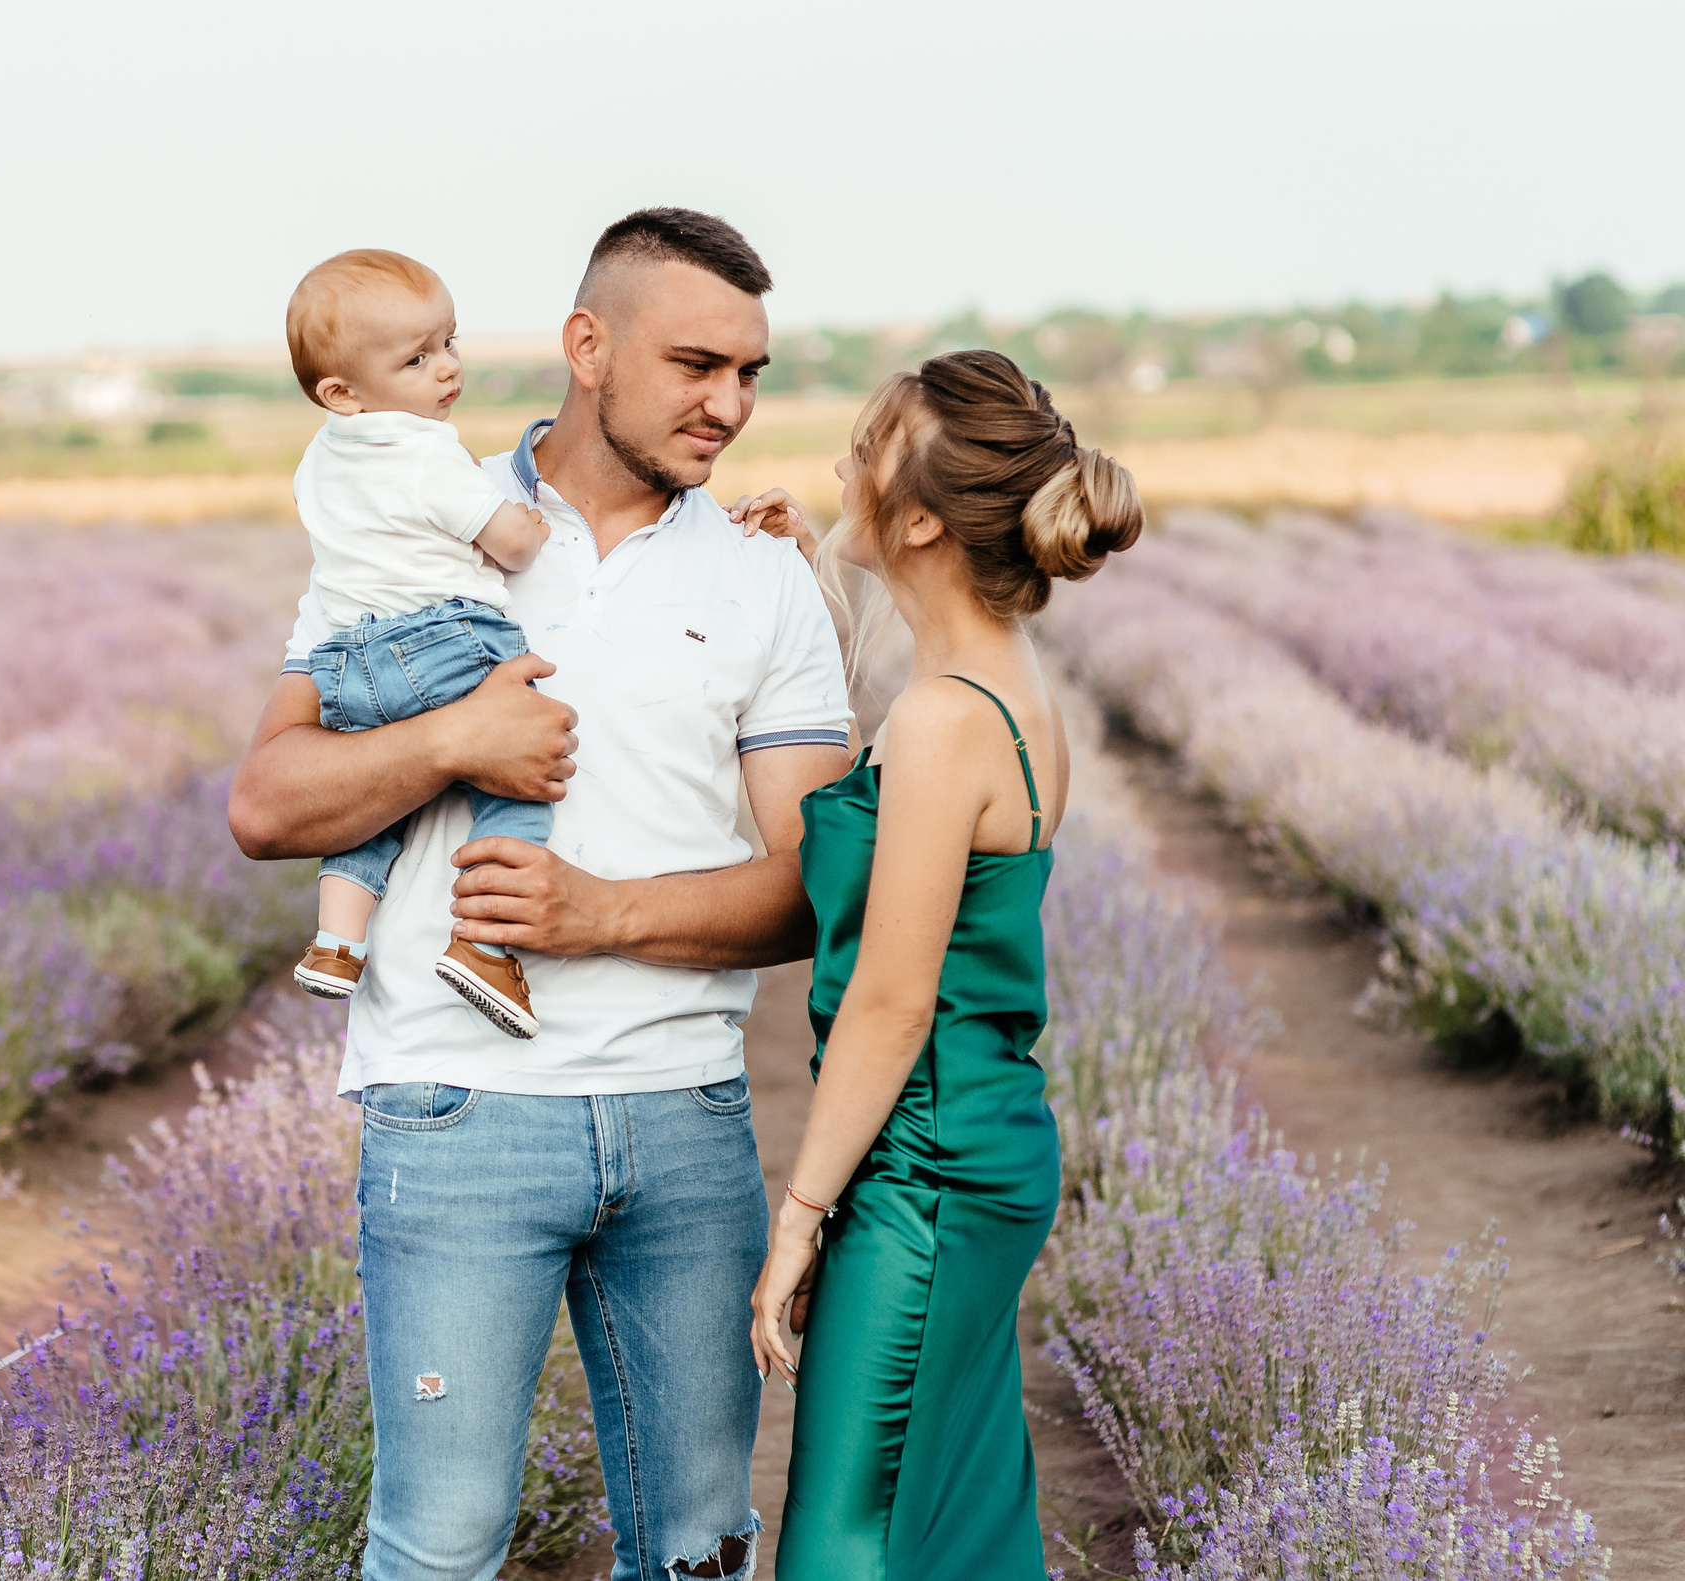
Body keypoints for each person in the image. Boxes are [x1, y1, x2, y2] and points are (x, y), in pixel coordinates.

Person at [229, 207, 854, 1581]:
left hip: (685, 1121)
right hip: (455, 1113)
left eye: (750, 372)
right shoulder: (415, 521)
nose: (729, 404)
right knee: (440, 1547)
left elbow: (820, 891)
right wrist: (453, 741)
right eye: (697, 362)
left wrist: (597, 915)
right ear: (587, 345)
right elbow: (267, 804)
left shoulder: (762, 576)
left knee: (700, 1546)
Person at [740, 350, 1143, 1578]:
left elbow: (893, 993)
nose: (843, 460)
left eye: (868, 444)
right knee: (944, 1511)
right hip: (976, 1146)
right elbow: (865, 842)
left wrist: (800, 1216)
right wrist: (817, 592)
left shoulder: (944, 719)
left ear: (919, 515)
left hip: (922, 1172)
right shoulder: (994, 689)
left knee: (845, 1536)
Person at [281, 248, 557, 1036]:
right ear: (342, 390)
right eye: (417, 357)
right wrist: (528, 525)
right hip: (444, 639)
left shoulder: (320, 459)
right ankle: (482, 944)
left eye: (450, 343)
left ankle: (337, 942)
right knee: (522, 771)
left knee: (375, 813)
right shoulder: (427, 450)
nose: (448, 369)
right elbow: (507, 541)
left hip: (346, 664)